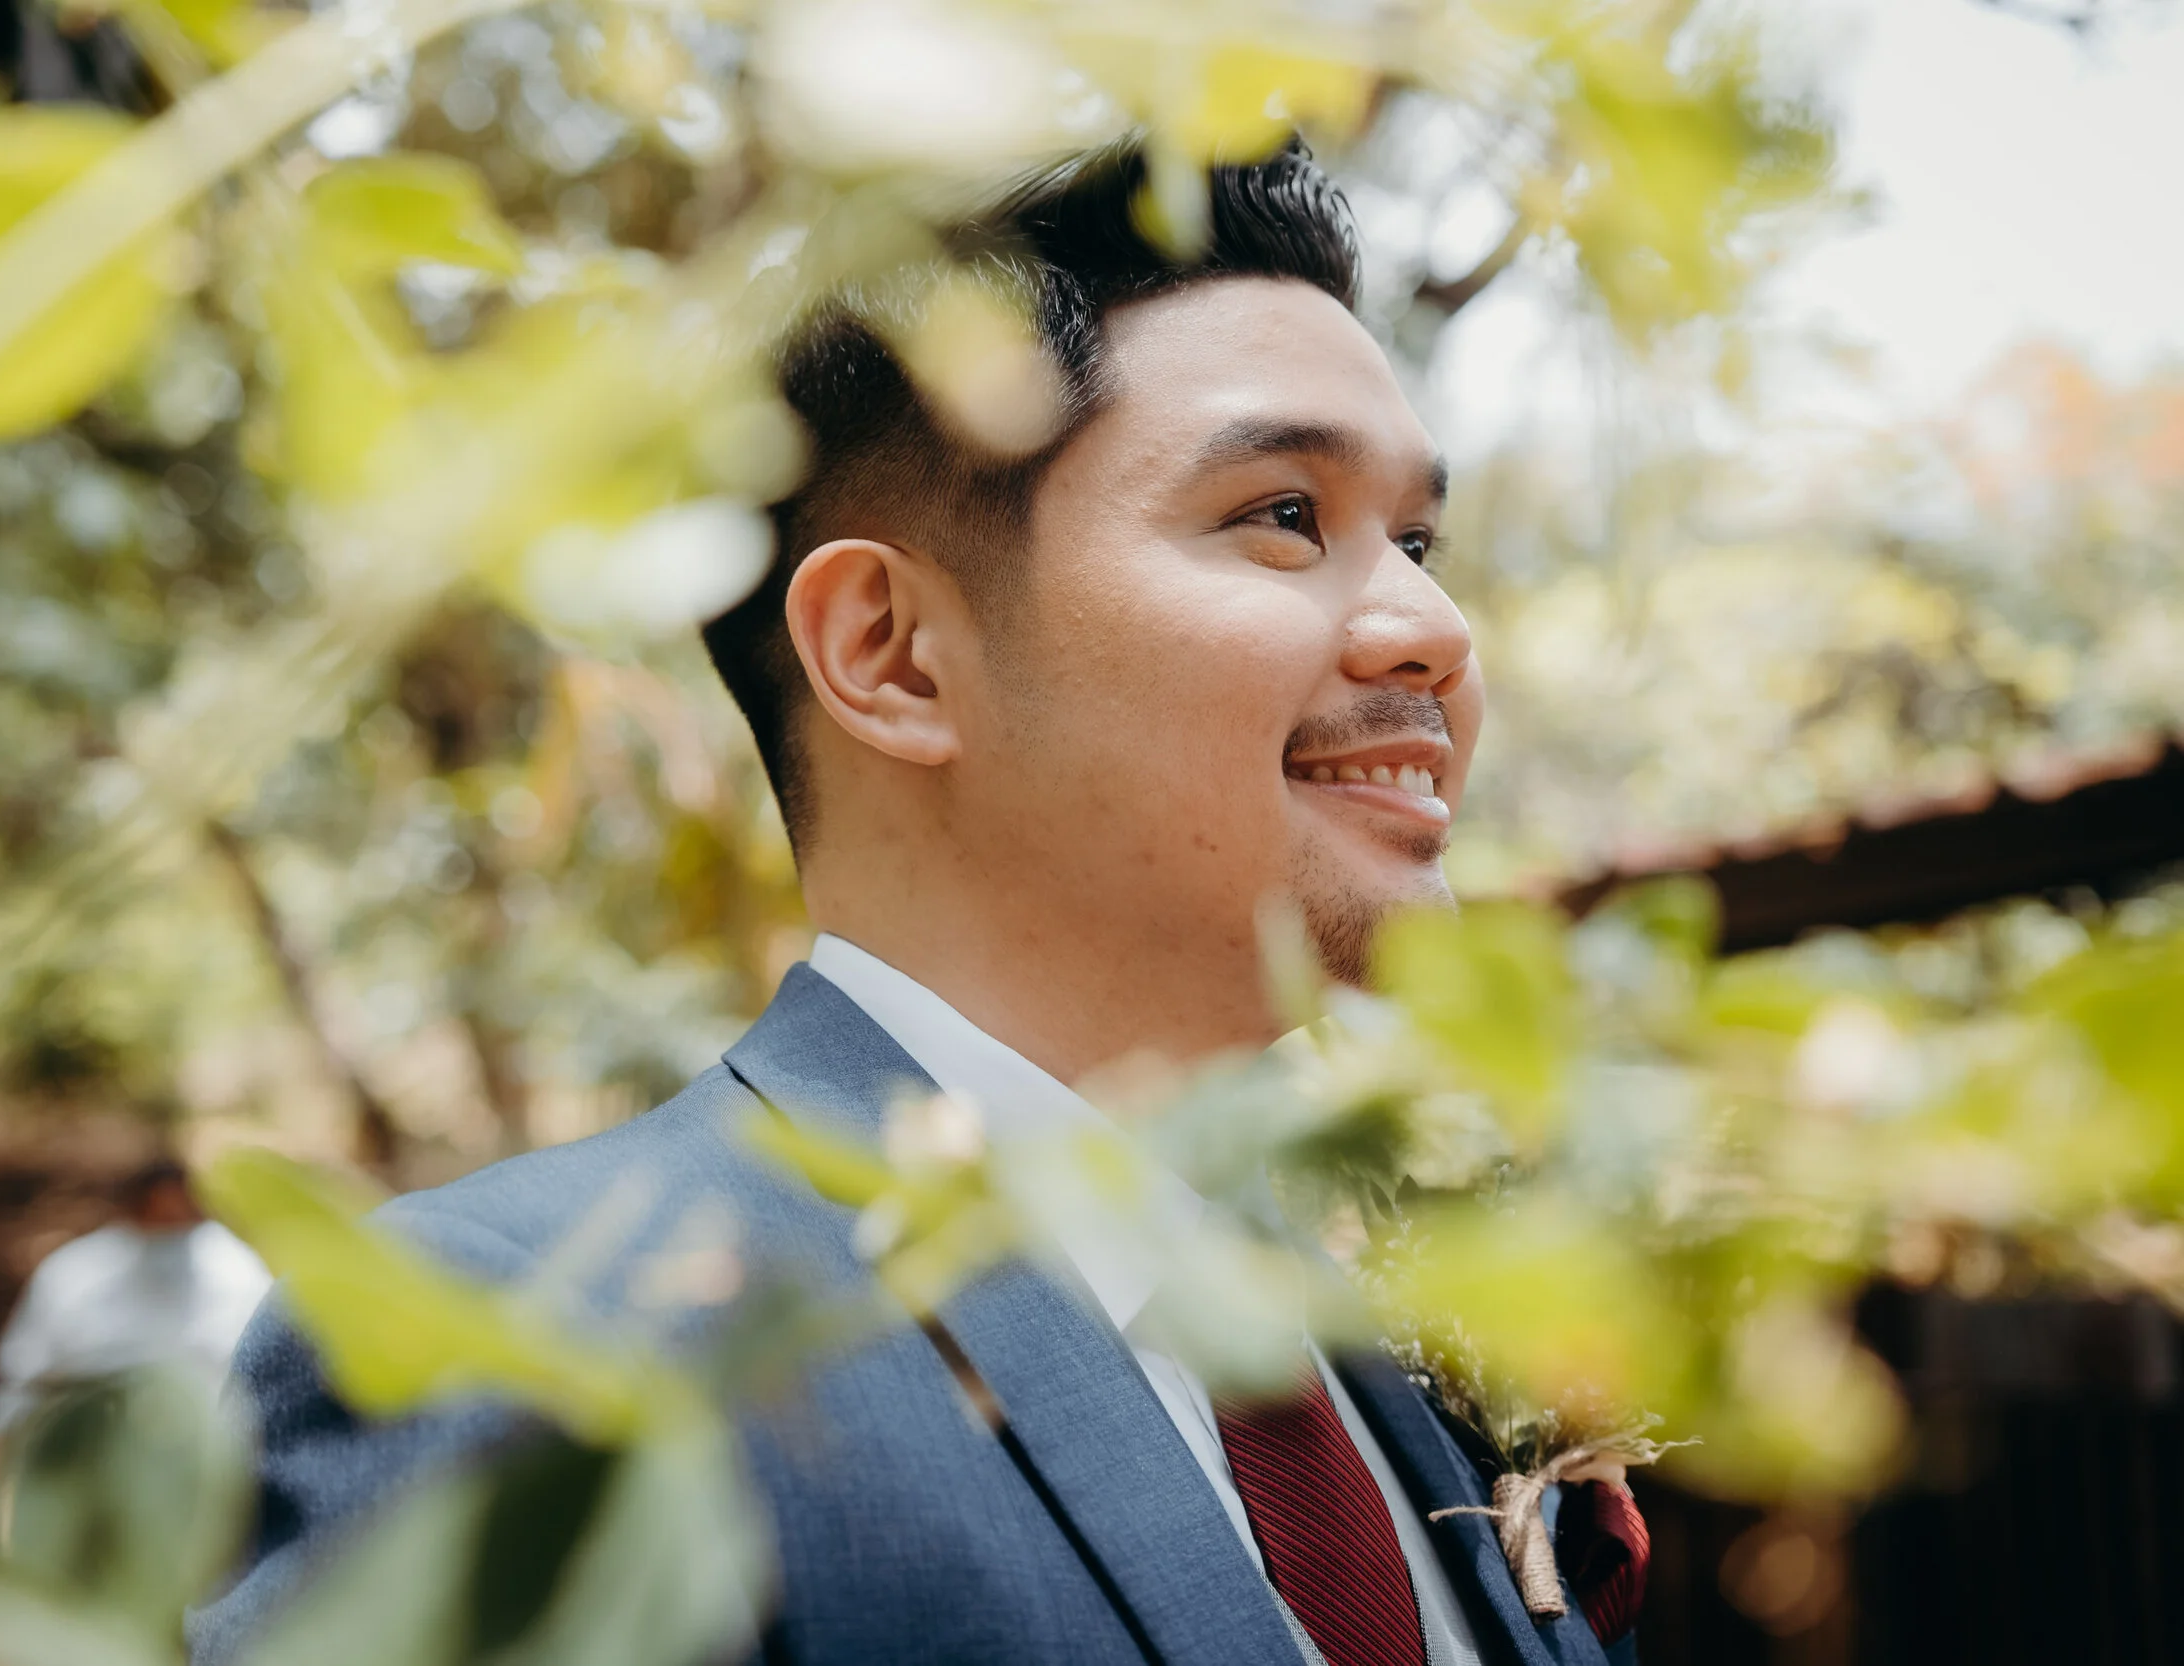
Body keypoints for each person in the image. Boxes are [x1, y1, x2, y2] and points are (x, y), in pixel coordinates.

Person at [190, 140, 1645, 1666]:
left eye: (1415, 542)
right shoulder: (516, 1354)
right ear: (890, 652)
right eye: (1284, 512)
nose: (1435, 629)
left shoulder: (1404, 1334)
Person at [0, 1159, 272, 1440]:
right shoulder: (72, 1275)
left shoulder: (242, 1274)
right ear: (131, 1209)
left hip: (215, 1453)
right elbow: (18, 1380)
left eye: (178, 1219)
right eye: (157, 1219)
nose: (168, 1232)